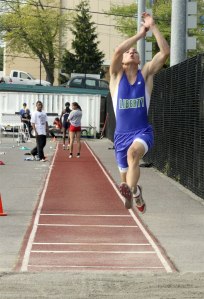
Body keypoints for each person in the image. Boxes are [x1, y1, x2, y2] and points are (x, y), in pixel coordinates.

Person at [109, 12, 170, 213]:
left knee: (133, 154)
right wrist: (139, 34)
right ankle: (135, 193)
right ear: (124, 60)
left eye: (135, 51)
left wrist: (153, 26)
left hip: (142, 131)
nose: (132, 51)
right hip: (120, 136)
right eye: (130, 52)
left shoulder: (146, 74)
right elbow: (118, 50)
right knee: (124, 178)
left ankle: (132, 189)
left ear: (140, 59)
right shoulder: (116, 77)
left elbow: (165, 52)